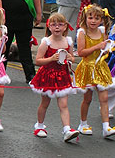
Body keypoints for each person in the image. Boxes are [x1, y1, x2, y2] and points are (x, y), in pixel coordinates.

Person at [30, 13, 79, 142]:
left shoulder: (68, 41)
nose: (57, 27)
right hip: (48, 75)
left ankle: (67, 129)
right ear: (49, 27)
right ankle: (39, 126)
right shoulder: (46, 42)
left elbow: (72, 58)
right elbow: (38, 60)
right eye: (53, 24)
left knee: (63, 104)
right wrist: (51, 58)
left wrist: (70, 58)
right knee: (45, 103)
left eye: (60, 24)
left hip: (62, 76)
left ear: (65, 27)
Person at [75, 5, 115, 138]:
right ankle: (83, 123)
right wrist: (97, 46)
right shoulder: (82, 32)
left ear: (101, 20)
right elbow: (81, 52)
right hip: (88, 67)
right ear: (85, 18)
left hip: (100, 67)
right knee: (87, 98)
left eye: (97, 18)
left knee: (104, 98)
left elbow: (104, 49)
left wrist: (108, 47)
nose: (93, 21)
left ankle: (106, 127)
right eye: (90, 17)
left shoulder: (102, 31)